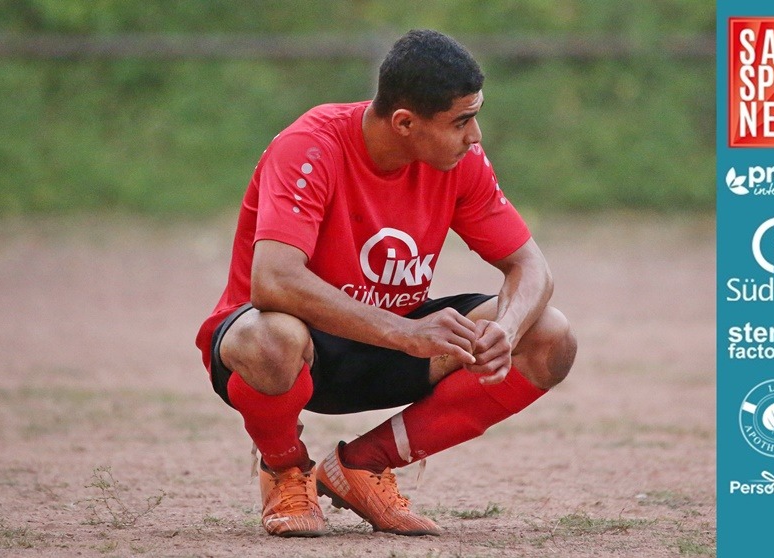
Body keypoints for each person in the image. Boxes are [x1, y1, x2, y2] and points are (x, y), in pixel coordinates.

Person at [195, 28, 577, 538]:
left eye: (476, 115)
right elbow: (273, 281)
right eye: (461, 120)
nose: (476, 135)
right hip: (287, 354)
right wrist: (405, 333)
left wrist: (506, 329)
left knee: (550, 335)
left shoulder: (459, 162)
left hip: (386, 343)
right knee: (271, 337)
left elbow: (532, 268)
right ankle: (286, 469)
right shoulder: (309, 146)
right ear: (404, 122)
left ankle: (360, 467)